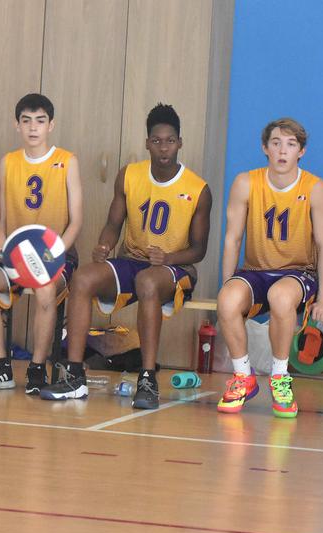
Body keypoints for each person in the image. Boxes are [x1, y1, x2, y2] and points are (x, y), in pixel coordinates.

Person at [53, 104, 212, 406]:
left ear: (180, 142)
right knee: (84, 277)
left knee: (148, 282)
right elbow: (114, 224)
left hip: (176, 268)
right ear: (147, 143)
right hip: (134, 261)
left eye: (169, 140)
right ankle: (74, 375)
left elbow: (199, 250)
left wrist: (167, 259)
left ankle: (148, 378)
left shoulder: (198, 188)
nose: (163, 147)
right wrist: (104, 245)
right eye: (156, 140)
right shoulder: (129, 175)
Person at [216, 117, 323, 418]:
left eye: (291, 144)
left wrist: (322, 298)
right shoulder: (246, 182)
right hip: (255, 270)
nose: (283, 151)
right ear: (264, 148)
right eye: (276, 143)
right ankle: (243, 376)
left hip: (298, 272)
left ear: (301, 151)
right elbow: (232, 238)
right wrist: (227, 284)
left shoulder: (315, 188)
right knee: (227, 299)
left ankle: (280, 377)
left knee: (280, 297)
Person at [0, 93, 83, 394]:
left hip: (55, 256)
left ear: (51, 125)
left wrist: (53, 256)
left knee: (46, 289)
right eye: (26, 121)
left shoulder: (67, 161)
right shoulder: (8, 162)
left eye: (40, 121)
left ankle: (36, 368)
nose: (33, 128)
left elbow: (77, 222)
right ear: (17, 125)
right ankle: (0, 367)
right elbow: (4, 220)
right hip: (16, 255)